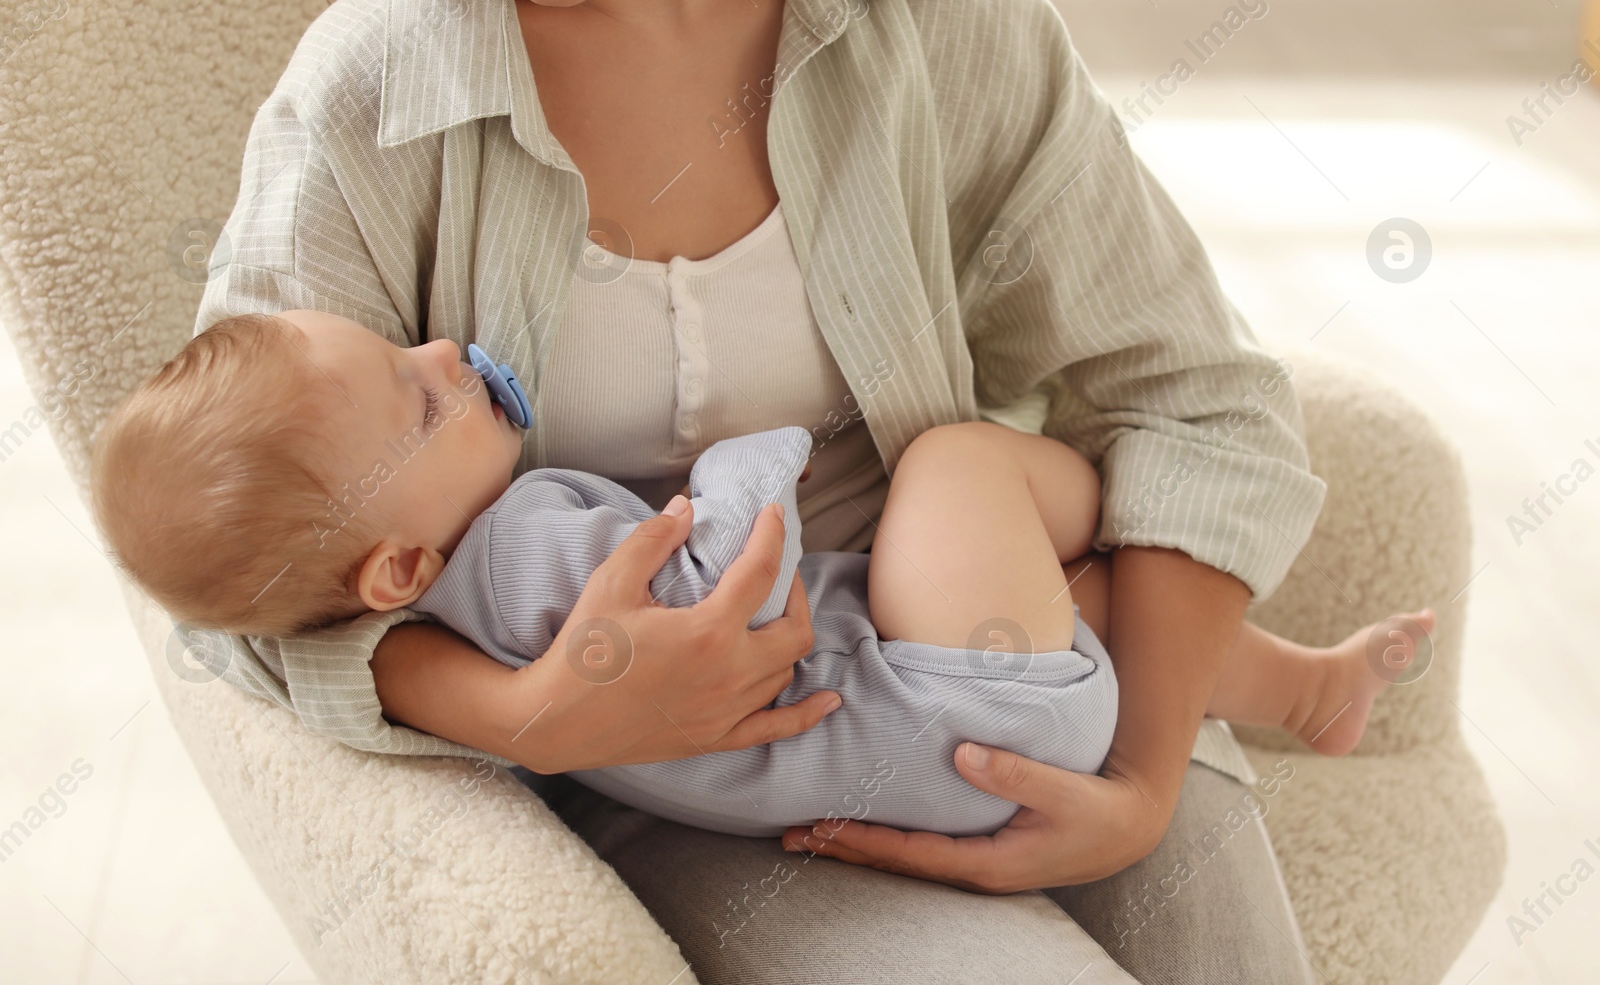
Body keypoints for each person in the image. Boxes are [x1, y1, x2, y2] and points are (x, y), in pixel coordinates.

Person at [184, 0, 1351, 980]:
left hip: (1017, 653)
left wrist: (1142, 780)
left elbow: (1191, 396)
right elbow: (232, 575)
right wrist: (528, 709)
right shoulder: (377, 89)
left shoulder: (940, 19)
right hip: (695, 780)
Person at [96, 307, 1428, 837]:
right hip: (951, 699)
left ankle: (1304, 684)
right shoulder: (518, 556)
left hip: (950, 745)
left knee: (1078, 595)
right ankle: (1095, 512)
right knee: (968, 462)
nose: (444, 346)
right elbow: (735, 573)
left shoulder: (472, 585)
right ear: (394, 561)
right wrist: (748, 463)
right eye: (411, 390)